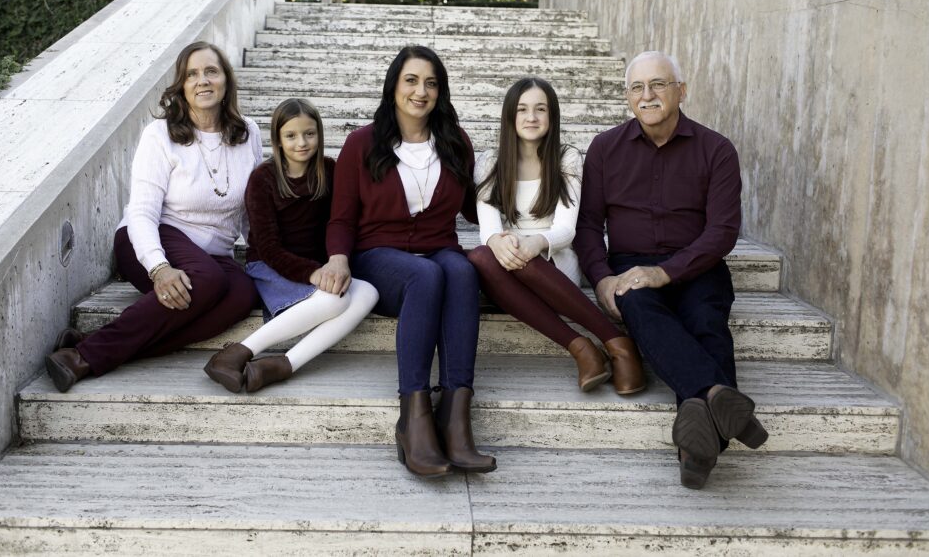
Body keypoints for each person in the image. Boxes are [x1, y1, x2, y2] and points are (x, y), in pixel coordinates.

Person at [575, 50, 768, 490]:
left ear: (681, 90)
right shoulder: (604, 149)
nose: (648, 95)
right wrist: (602, 277)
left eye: (659, 84)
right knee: (637, 304)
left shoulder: (717, 150)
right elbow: (587, 226)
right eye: (637, 87)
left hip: (698, 264)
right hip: (628, 266)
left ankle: (697, 442)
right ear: (627, 97)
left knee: (706, 322)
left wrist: (667, 272)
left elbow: (722, 231)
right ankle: (718, 401)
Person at [45, 41, 263, 392]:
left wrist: (264, 255)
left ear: (226, 81)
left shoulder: (248, 133)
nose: (202, 80)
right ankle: (80, 359)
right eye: (192, 74)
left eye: (211, 71)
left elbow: (254, 208)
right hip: (149, 239)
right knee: (207, 280)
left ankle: (91, 342)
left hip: (212, 256)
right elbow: (143, 211)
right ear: (181, 86)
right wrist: (159, 268)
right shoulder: (160, 135)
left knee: (242, 293)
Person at [323, 45, 495, 477]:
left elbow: (477, 210)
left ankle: (455, 417)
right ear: (394, 86)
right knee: (426, 274)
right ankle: (413, 417)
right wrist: (339, 258)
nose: (421, 91)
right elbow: (342, 216)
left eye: (431, 83)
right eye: (412, 81)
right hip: (378, 256)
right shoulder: (362, 143)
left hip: (439, 248)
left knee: (459, 269)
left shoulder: (456, 141)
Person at [467, 77, 645, 395]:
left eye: (540, 109)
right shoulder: (489, 162)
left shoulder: (566, 159)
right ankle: (582, 347)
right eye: (522, 109)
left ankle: (617, 343)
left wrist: (533, 243)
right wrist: (497, 242)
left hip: (555, 259)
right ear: (510, 115)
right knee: (480, 256)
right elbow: (489, 230)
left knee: (516, 257)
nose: (531, 117)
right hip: (509, 259)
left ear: (552, 116)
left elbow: (566, 229)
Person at [203, 98, 378, 393]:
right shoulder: (263, 179)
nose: (302, 143)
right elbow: (268, 248)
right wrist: (313, 274)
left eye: (309, 134)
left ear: (320, 135)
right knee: (335, 300)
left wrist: (329, 266)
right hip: (272, 266)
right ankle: (236, 353)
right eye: (291, 136)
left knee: (369, 292)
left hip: (318, 266)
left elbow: (345, 219)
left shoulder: (330, 171)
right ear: (278, 140)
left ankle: (282, 365)